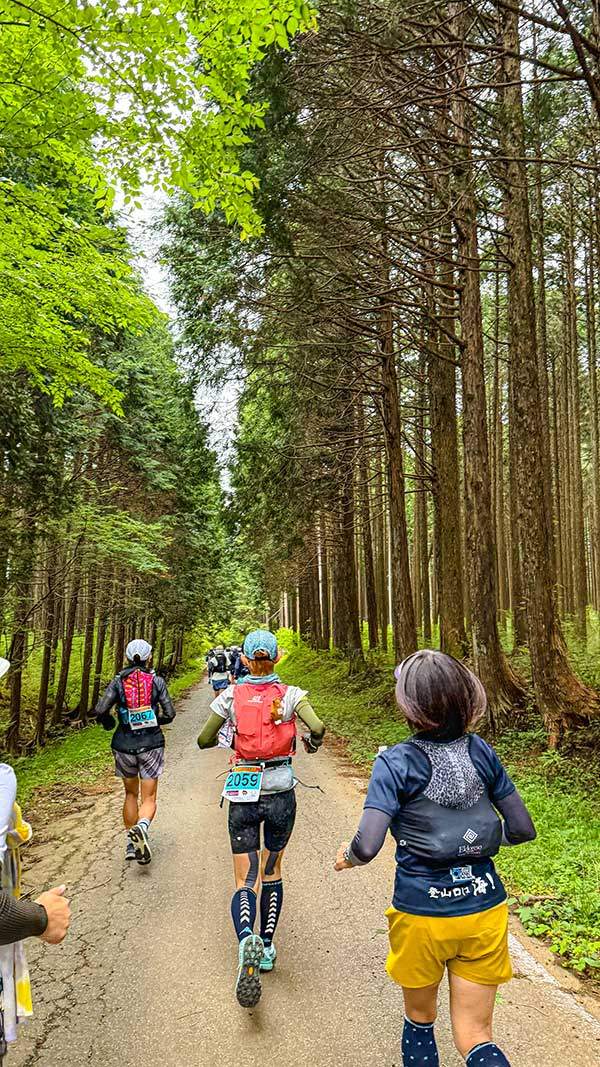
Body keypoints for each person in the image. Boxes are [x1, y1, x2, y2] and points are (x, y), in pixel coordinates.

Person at [334, 649, 536, 1067]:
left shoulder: (394, 762)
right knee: (476, 1035)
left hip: (421, 912)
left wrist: (347, 858)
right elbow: (522, 829)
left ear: (409, 704)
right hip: (484, 908)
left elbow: (367, 845)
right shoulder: (482, 751)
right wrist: (476, 847)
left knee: (421, 1020)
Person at [197, 628, 325, 1008]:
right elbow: (316, 727)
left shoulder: (230, 695)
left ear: (246, 660)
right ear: (276, 658)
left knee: (245, 877)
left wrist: (230, 738)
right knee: (272, 871)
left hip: (243, 789)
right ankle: (266, 944)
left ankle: (245, 940)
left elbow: (204, 740)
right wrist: (310, 742)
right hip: (281, 790)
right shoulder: (290, 695)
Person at [95, 638, 176, 865]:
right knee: (148, 796)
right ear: (149, 657)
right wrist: (153, 720)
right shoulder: (156, 681)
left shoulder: (118, 681)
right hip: (151, 744)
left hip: (123, 745)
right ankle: (142, 827)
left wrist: (110, 723)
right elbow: (170, 713)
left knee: (130, 794)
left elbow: (100, 709)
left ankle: (132, 844)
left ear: (127, 657)